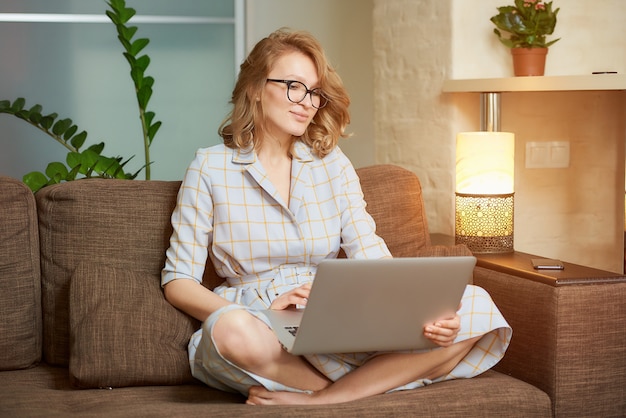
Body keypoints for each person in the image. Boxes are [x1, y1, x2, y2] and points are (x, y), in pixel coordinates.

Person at [161, 28, 511, 406]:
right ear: (255, 87)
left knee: (476, 303)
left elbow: (371, 254)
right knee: (229, 331)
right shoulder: (211, 166)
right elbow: (178, 281)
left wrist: (426, 314)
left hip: (335, 315)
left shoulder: (333, 164)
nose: (306, 102)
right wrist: (256, 310)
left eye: (313, 92)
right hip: (260, 323)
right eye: (294, 86)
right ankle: (367, 386)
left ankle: (320, 399)